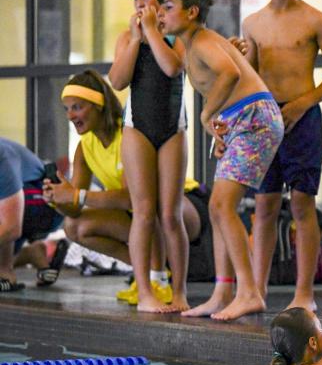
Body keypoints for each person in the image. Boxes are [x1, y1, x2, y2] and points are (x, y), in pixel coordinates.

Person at [230, 0, 322, 312]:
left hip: (303, 116)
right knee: (263, 205)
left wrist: (303, 103)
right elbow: (249, 78)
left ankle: (304, 294)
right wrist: (238, 59)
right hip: (266, 119)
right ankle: (256, 291)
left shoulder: (315, 19)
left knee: (302, 204)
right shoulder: (252, 22)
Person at [158, 0, 284, 321]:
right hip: (242, 119)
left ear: (191, 12)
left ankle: (249, 292)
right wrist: (220, 123)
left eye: (167, 8)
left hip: (254, 118)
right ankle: (223, 291)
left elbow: (229, 73)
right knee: (217, 208)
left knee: (221, 205)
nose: (161, 15)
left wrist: (206, 114)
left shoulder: (201, 40)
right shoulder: (194, 44)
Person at [43, 70, 208, 311]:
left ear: (98, 104)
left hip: (186, 207)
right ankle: (148, 274)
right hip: (136, 211)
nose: (70, 116)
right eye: (67, 109)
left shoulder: (128, 135)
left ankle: (159, 280)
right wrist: (58, 199)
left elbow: (133, 198)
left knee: (150, 207)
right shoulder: (84, 147)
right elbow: (75, 208)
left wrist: (77, 196)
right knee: (74, 226)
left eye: (77, 107)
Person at [107, 0, 191, 313]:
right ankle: (145, 292)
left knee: (170, 214)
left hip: (173, 129)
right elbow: (117, 81)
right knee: (142, 212)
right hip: (136, 127)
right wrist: (135, 39)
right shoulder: (127, 37)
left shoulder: (180, 35)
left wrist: (154, 32)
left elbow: (172, 67)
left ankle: (179, 291)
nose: (141, 4)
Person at [0, 138, 66, 292]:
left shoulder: (2, 154)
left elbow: (11, 228)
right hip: (19, 202)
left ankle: (5, 271)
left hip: (47, 201)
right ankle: (31, 254)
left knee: (3, 196)